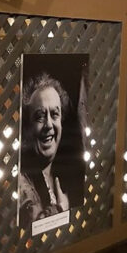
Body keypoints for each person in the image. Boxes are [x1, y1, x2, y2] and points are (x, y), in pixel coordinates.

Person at [19, 73, 83, 228]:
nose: (49, 125)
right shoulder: (21, 181)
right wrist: (61, 209)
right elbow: (34, 226)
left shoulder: (67, 173)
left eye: (55, 114)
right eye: (40, 116)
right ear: (27, 128)